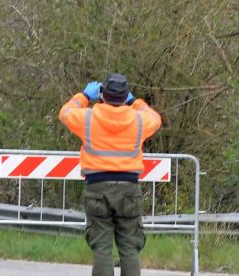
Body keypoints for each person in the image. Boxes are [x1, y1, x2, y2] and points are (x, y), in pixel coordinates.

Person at [59, 73, 162, 276]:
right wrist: (134, 101)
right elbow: (155, 119)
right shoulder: (138, 120)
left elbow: (65, 113)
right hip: (129, 189)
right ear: (125, 96)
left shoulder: (87, 118)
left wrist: (84, 96)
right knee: (130, 247)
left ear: (102, 94)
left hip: (97, 187)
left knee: (102, 247)